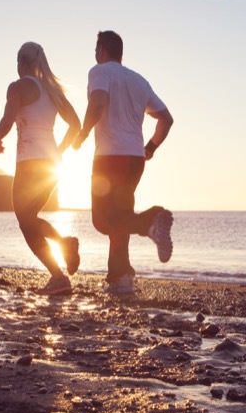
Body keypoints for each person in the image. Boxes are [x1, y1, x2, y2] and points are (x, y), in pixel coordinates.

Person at [73, 30, 174, 294]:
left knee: (102, 220)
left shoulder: (99, 72)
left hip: (109, 157)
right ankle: (121, 278)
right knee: (120, 216)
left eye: (96, 50)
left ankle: (150, 222)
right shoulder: (139, 80)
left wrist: (82, 134)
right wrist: (150, 148)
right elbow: (166, 119)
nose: (95, 55)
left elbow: (97, 103)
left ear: (102, 51)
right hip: (135, 159)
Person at [0, 42, 81, 295]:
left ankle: (59, 271)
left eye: (17, 61)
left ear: (22, 62)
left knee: (25, 220)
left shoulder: (17, 87)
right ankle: (62, 259)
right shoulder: (52, 91)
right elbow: (76, 124)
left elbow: (8, 118)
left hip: (28, 165)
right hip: (52, 166)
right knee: (29, 219)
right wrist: (59, 151)